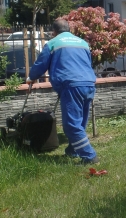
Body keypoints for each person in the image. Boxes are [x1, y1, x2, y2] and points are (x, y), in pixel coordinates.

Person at [26, 19, 98, 163]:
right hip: (89, 83)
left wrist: (31, 78)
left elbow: (41, 64)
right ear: (69, 29)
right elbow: (86, 63)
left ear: (54, 31)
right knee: (80, 122)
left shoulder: (53, 43)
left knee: (71, 125)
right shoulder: (83, 43)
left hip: (71, 85)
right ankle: (73, 151)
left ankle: (89, 156)